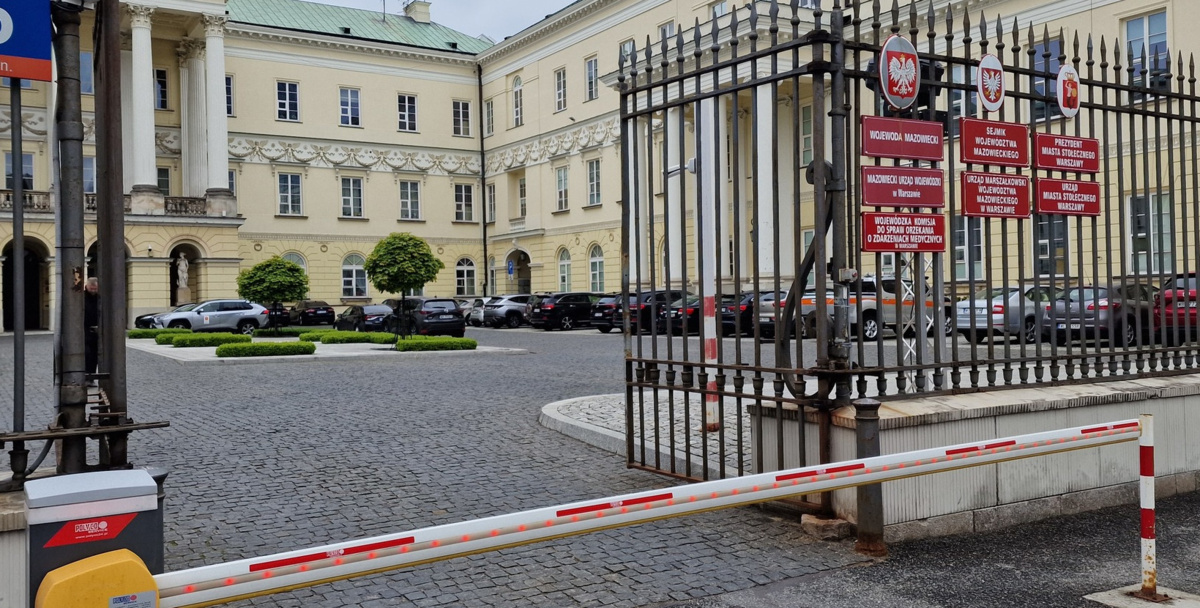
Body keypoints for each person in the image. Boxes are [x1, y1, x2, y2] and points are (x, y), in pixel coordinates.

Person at [84, 277, 100, 385]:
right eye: (91, 288)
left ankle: (91, 377)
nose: (93, 290)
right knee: (87, 354)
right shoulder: (81, 297)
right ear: (87, 287)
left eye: (95, 289)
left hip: (97, 330)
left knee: (95, 355)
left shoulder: (99, 298)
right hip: (85, 330)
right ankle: (86, 376)